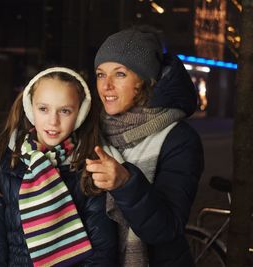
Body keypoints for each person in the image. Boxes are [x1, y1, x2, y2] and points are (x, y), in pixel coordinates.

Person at [0, 67, 119, 266]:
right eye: (44, 109)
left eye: (65, 111)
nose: (53, 121)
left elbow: (102, 249)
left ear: (80, 113)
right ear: (31, 108)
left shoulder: (89, 168)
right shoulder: (7, 163)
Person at [86, 26, 204, 266]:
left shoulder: (179, 139)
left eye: (119, 74)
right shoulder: (91, 129)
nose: (106, 85)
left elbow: (167, 229)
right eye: (100, 74)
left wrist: (126, 184)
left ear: (145, 80)